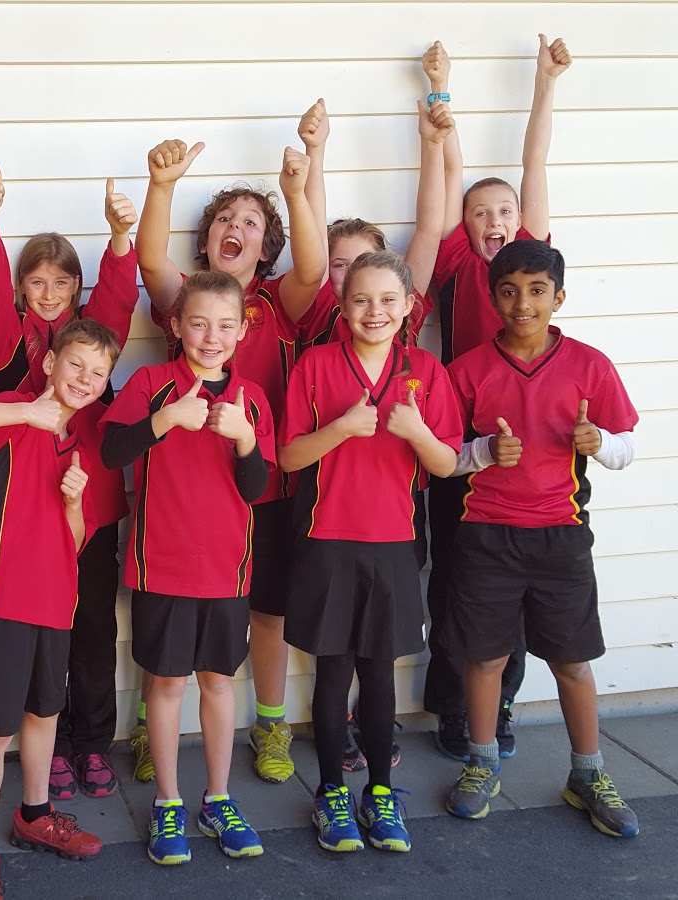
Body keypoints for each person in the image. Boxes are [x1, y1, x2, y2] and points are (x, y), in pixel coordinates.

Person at [132, 135, 323, 786]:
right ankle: (148, 723)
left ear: (266, 249)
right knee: (166, 614)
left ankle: (270, 722)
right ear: (207, 239)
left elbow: (313, 270)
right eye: (223, 218)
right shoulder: (185, 297)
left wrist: (294, 194)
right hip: (183, 495)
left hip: (259, 486)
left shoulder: (275, 304)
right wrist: (161, 186)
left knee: (265, 612)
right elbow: (149, 257)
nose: (235, 227)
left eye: (251, 222)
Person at [442, 240, 640, 839]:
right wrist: (483, 451)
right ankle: (481, 763)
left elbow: (626, 447)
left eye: (536, 291)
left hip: (562, 536)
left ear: (559, 297)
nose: (522, 304)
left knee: (572, 662)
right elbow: (443, 457)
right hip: (487, 535)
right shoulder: (468, 370)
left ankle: (588, 774)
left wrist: (599, 444)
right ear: (492, 298)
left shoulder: (590, 365)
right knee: (485, 658)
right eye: (508, 292)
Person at [0, 319, 126, 899]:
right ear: (49, 363)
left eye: (98, 374)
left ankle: (35, 814)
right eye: (76, 364)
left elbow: (76, 541)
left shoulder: (78, 445)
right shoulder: (11, 414)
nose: (85, 379)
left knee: (44, 715)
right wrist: (24, 412)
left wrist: (73, 504)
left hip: (56, 603)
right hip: (1, 600)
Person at [279, 251, 461, 854]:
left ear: (409, 305)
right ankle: (331, 791)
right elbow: (287, 456)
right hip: (327, 540)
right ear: (341, 305)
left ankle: (380, 792)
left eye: (387, 300)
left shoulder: (425, 371)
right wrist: (339, 429)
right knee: (332, 671)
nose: (374, 311)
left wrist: (418, 433)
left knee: (379, 673)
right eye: (360, 299)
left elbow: (446, 464)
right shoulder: (315, 365)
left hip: (394, 544)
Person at [0, 167, 140, 800]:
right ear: (21, 287)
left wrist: (120, 237)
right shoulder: (12, 347)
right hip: (24, 515)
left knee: (91, 628)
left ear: (77, 287)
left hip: (87, 505)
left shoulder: (89, 342)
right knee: (43, 635)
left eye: (61, 282)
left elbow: (118, 300)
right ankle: (53, 746)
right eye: (36, 282)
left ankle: (92, 743)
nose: (48, 293)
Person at [425, 36, 571, 760]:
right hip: (461, 442)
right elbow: (448, 167)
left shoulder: (528, 260)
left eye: (504, 211)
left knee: (514, 587)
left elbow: (534, 161)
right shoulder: (458, 259)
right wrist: (440, 91)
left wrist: (544, 82)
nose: (493, 222)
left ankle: (501, 704)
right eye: (480, 213)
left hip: (533, 450)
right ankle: (455, 706)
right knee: (458, 580)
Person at [102, 273, 276, 865]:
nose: (211, 336)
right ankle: (168, 802)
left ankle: (218, 798)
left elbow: (257, 489)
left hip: (227, 570)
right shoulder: (152, 384)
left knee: (218, 682)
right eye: (198, 323)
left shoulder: (251, 399)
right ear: (176, 326)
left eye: (225, 325)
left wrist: (246, 439)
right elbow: (112, 452)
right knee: (168, 684)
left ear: (243, 330)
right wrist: (166, 419)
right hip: (163, 567)